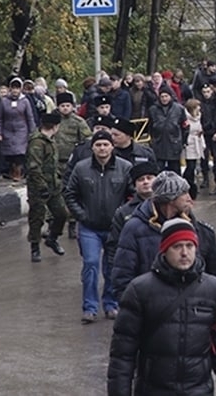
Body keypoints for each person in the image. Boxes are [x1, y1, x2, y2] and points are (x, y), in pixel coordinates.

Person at [108, 218, 216, 396]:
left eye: (189, 246)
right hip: (153, 390)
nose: (184, 253)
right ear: (164, 249)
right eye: (177, 246)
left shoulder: (214, 289)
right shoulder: (140, 290)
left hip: (198, 390)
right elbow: (123, 352)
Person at [110, 171, 216, 303]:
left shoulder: (201, 231)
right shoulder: (134, 229)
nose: (189, 198)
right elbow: (122, 277)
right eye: (184, 193)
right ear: (170, 199)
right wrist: (136, 311)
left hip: (194, 314)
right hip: (152, 313)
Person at [63, 130, 133, 323]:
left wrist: (123, 216)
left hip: (114, 227)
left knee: (112, 267)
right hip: (89, 227)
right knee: (91, 264)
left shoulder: (125, 168)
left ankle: (111, 304)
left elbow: (132, 195)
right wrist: (81, 215)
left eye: (106, 144)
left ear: (112, 146)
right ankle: (90, 307)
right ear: (92, 147)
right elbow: (70, 194)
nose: (102, 148)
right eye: (98, 145)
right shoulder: (81, 168)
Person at [25, 112, 67, 262]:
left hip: (53, 186)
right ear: (55, 126)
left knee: (62, 214)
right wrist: (42, 187)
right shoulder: (37, 143)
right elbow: (34, 168)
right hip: (39, 187)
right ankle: (35, 247)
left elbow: (53, 164)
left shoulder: (50, 141)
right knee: (37, 218)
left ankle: (52, 238)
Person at [105, 161, 159, 274]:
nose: (145, 182)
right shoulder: (124, 212)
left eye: (149, 178)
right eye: (141, 179)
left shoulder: (168, 207)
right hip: (135, 268)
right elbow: (114, 244)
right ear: (135, 185)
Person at [0, 76, 37, 181]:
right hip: (7, 130)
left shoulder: (25, 101)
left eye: (17, 88)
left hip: (21, 130)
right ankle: (12, 169)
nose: (15, 90)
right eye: (13, 88)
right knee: (10, 154)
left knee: (20, 153)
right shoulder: (4, 101)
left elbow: (30, 117)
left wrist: (33, 132)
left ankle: (18, 172)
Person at [148, 85, 189, 174]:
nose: (164, 99)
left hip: (174, 143)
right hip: (158, 143)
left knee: (175, 170)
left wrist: (182, 141)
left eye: (166, 96)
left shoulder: (179, 109)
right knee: (158, 170)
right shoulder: (153, 109)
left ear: (170, 96)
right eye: (162, 96)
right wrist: (152, 140)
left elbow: (185, 126)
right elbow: (150, 126)